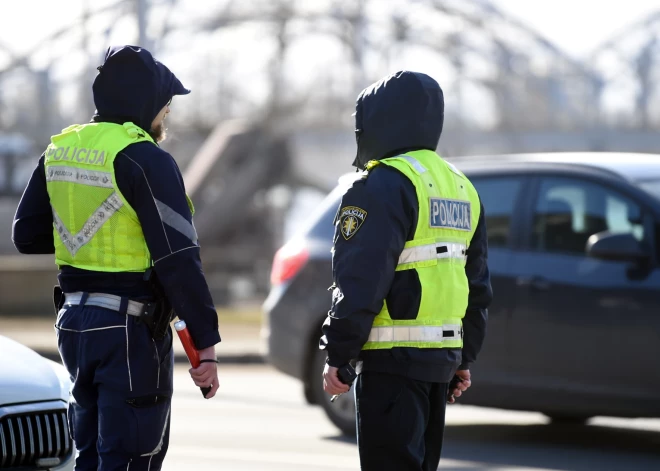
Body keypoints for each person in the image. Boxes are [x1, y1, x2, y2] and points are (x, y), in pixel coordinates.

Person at [12, 45, 221, 470]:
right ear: (148, 104)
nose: (167, 117)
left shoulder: (60, 150)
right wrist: (206, 345)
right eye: (166, 107)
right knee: (129, 459)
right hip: (129, 332)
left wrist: (86, 238)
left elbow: (26, 235)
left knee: (86, 456)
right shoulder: (145, 158)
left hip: (73, 326)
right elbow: (178, 258)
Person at [320, 70, 492, 470]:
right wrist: (463, 357)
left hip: (391, 366)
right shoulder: (462, 187)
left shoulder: (380, 186)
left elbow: (360, 281)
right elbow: (477, 284)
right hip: (439, 365)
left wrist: (339, 354)